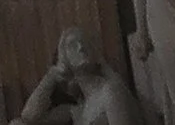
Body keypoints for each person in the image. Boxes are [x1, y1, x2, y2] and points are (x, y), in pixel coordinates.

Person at [17, 27, 147, 125]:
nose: (80, 47)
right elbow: (27, 117)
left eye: (85, 43)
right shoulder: (78, 110)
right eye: (72, 45)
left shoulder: (110, 90)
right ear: (63, 59)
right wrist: (51, 75)